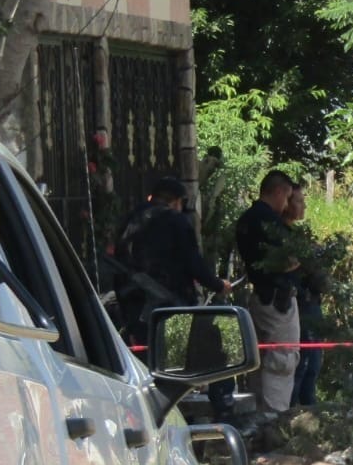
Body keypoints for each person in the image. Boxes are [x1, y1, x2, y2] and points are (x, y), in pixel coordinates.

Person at [110, 176, 227, 345]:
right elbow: (194, 263)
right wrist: (219, 285)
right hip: (168, 307)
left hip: (132, 303)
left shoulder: (132, 219)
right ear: (177, 201)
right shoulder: (176, 221)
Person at [234, 170, 301, 413]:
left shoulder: (246, 219)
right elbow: (289, 259)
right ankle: (275, 420)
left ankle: (259, 420)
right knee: (282, 361)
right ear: (279, 191)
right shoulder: (270, 222)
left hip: (260, 298)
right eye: (287, 198)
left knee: (259, 362)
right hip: (278, 300)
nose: (286, 205)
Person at [283, 185, 329, 407]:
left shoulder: (300, 235)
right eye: (299, 201)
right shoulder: (283, 236)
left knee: (313, 366)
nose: (304, 206)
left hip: (312, 302)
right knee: (301, 366)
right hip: (298, 304)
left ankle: (310, 412)